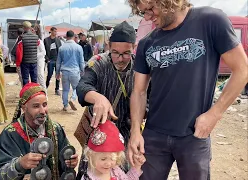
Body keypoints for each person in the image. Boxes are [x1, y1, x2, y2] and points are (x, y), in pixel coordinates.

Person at [127, 0, 248, 180]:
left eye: (151, 8)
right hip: (154, 135)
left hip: (194, 135)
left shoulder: (210, 20)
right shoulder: (147, 43)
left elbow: (242, 69)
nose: (147, 16)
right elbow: (139, 91)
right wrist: (135, 131)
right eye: (142, 12)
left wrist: (214, 114)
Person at [76, 21, 137, 179]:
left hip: (125, 132)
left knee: (121, 171)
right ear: (109, 46)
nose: (121, 59)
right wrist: (97, 97)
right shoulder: (98, 62)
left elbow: (150, 97)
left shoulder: (140, 67)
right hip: (98, 134)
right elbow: (82, 86)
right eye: (115, 52)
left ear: (134, 47)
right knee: (90, 171)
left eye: (126, 53)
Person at [0, 83, 79, 179]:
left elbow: (64, 161)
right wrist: (20, 164)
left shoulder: (55, 129)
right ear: (24, 108)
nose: (43, 111)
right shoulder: (10, 134)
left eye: (45, 105)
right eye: (36, 106)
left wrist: (70, 162)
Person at [56, 30, 85, 111]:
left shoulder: (61, 48)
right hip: (75, 71)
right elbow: (81, 61)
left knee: (65, 90)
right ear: (73, 36)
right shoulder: (78, 47)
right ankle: (73, 98)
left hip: (64, 71)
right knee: (77, 88)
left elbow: (58, 62)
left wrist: (57, 73)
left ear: (66, 36)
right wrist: (83, 71)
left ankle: (65, 106)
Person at [16, 21, 39, 86]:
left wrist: (18, 64)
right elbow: (37, 44)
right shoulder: (36, 37)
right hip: (34, 62)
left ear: (24, 28)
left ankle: (26, 95)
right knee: (34, 80)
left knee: (25, 80)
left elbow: (19, 53)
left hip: (25, 62)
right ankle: (34, 94)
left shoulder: (22, 38)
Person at [44, 27, 62, 95]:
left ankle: (57, 89)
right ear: (51, 31)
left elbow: (60, 50)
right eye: (54, 31)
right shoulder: (46, 40)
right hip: (50, 60)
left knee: (58, 75)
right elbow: (44, 51)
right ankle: (46, 86)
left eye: (56, 31)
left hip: (57, 60)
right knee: (49, 75)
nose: (55, 32)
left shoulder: (58, 40)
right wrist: (47, 59)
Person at [33, 24, 47, 90]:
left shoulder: (39, 41)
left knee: (40, 76)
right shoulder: (33, 40)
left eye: (33, 30)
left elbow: (44, 52)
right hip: (34, 61)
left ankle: (45, 93)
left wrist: (35, 55)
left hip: (40, 61)